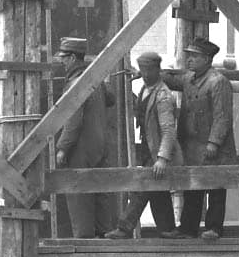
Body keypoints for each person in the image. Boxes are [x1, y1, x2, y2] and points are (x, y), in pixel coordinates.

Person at [50, 37, 116, 239]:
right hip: (100, 145)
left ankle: (84, 239)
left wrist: (63, 148)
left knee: (78, 193)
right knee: (101, 190)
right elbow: (111, 100)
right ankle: (104, 235)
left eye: (64, 58)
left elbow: (73, 121)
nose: (62, 62)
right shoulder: (94, 80)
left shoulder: (75, 84)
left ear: (72, 58)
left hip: (81, 148)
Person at [180, 35, 239, 235]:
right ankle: (188, 228)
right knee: (192, 188)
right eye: (189, 55)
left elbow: (222, 116)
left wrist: (214, 143)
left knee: (215, 187)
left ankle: (214, 228)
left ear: (207, 59)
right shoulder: (189, 79)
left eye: (195, 56)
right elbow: (171, 79)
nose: (189, 59)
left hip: (214, 148)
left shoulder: (218, 82)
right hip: (194, 146)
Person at [126, 49, 179, 235]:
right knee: (157, 191)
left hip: (157, 150)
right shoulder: (146, 88)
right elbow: (141, 109)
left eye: (149, 70)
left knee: (144, 186)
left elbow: (168, 130)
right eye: (143, 70)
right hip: (148, 147)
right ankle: (168, 230)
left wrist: (162, 158)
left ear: (158, 70)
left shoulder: (163, 96)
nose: (146, 74)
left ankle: (124, 227)